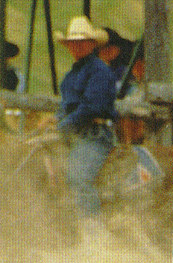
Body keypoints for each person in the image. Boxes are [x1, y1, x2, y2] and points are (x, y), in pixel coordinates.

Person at [54, 16, 117, 230]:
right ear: (68, 46)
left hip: (96, 135)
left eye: (81, 42)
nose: (76, 46)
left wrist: (62, 127)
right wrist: (55, 123)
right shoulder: (70, 76)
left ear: (92, 45)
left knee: (78, 175)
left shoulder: (100, 71)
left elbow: (92, 107)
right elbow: (66, 106)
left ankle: (94, 233)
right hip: (76, 135)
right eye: (73, 42)